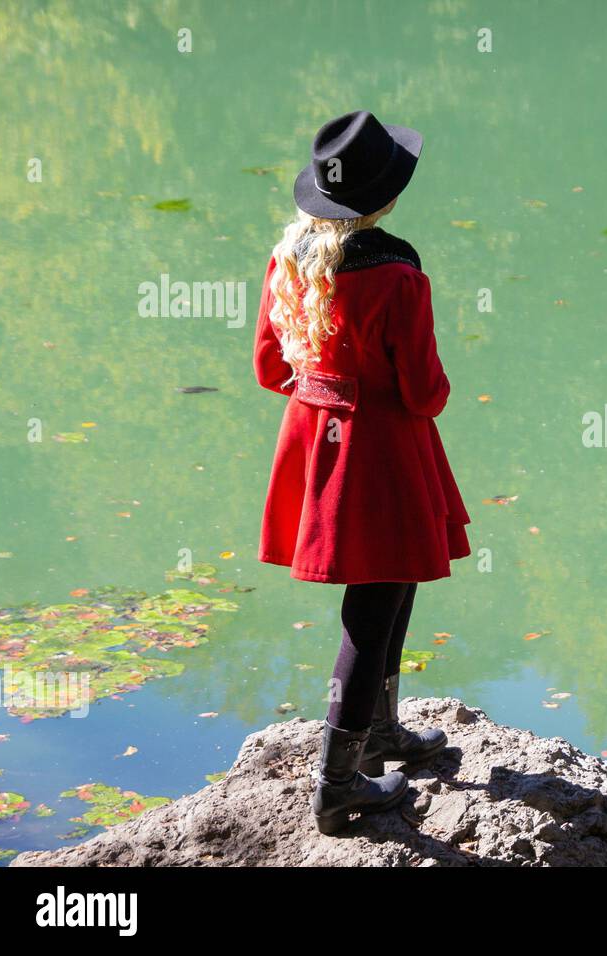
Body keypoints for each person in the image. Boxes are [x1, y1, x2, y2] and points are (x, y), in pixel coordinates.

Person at [252, 111, 471, 835]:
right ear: (388, 197)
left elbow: (267, 369)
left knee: (393, 581)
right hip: (380, 450)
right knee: (375, 607)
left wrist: (325, 395)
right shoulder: (398, 271)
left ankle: (381, 734)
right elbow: (423, 390)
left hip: (318, 442)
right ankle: (338, 785)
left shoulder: (288, 257)